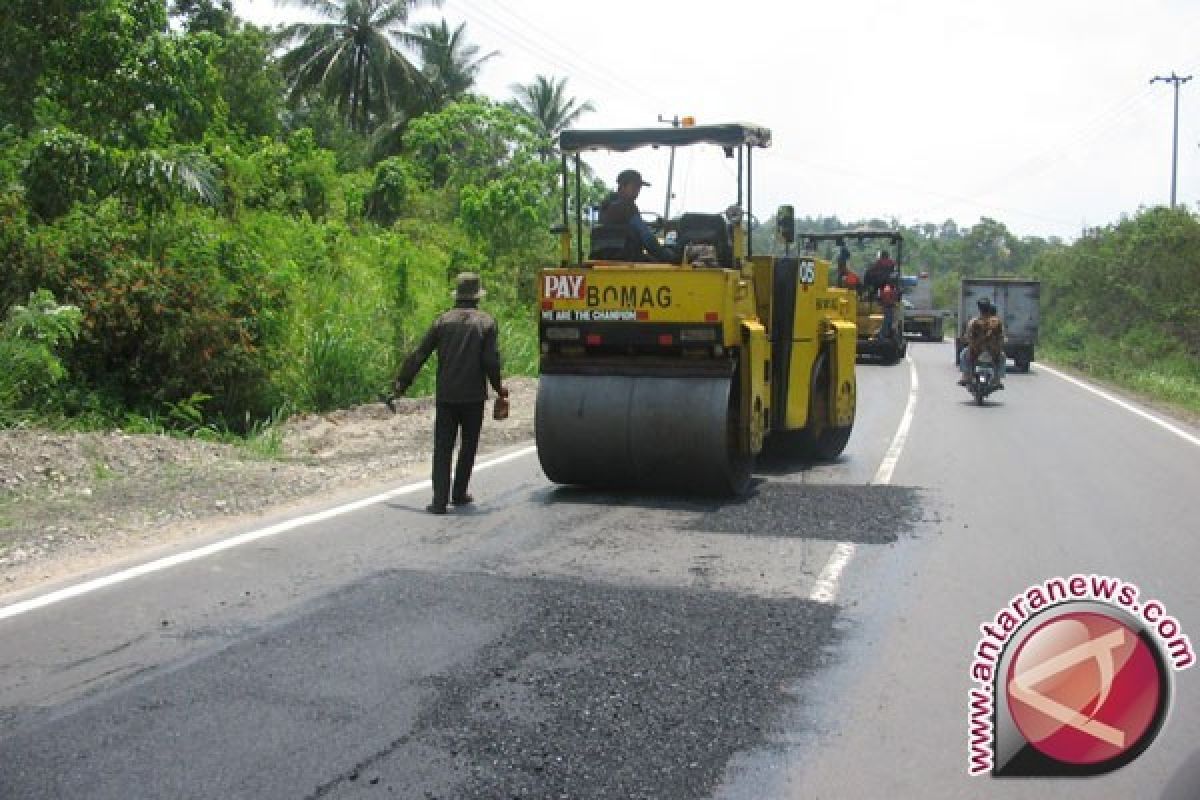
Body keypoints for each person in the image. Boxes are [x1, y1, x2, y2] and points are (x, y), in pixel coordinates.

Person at [393, 272, 508, 514]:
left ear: (458, 296)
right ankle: (459, 493)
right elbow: (490, 361)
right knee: (468, 445)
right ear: (477, 297)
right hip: (473, 396)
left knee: (443, 446)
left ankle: (439, 501)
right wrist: (499, 388)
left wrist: (402, 384)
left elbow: (419, 354)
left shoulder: (442, 322)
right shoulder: (486, 323)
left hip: (446, 395)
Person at [598, 169, 676, 262]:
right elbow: (646, 237)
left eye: (639, 188)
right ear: (622, 186)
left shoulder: (607, 205)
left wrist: (651, 225)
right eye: (634, 187)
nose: (638, 191)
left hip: (604, 257)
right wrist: (666, 256)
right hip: (626, 259)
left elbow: (629, 226)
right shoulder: (627, 206)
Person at [958, 298, 1006, 388]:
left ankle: (966, 376)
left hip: (976, 351)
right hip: (993, 352)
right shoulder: (997, 322)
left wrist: (967, 340)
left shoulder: (974, 322)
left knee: (963, 354)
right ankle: (997, 379)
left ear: (979, 309)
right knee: (1002, 357)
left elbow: (968, 336)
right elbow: (1002, 337)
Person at [863, 250, 899, 340]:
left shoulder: (878, 264)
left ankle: (869, 295)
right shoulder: (892, 263)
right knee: (888, 316)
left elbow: (871, 272)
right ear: (887, 256)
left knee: (871, 280)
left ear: (882, 256)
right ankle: (884, 333)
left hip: (878, 284)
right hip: (885, 285)